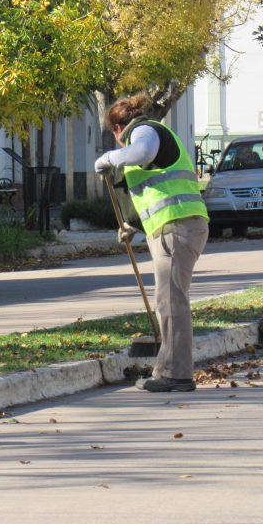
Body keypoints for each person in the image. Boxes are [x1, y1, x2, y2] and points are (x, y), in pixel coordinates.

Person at [94, 94, 209, 392]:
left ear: (117, 129)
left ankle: (176, 375)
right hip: (175, 226)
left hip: (177, 226)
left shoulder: (144, 131)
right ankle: (168, 370)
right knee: (167, 300)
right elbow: (155, 191)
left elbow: (142, 152)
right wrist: (132, 226)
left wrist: (108, 158)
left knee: (171, 300)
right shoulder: (149, 135)